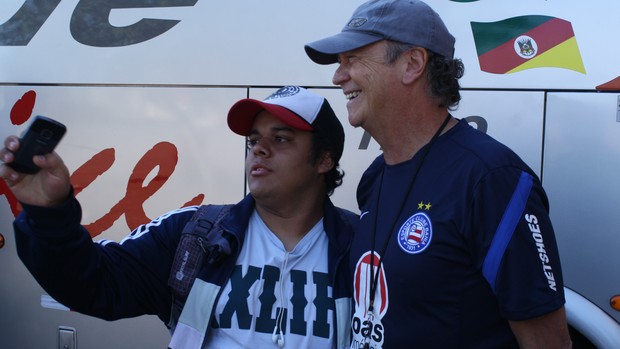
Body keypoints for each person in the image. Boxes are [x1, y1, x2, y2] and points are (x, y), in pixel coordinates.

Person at [0, 86, 356, 349]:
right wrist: (48, 211)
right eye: (253, 140)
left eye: (280, 139)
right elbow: (93, 283)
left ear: (324, 160)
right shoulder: (194, 234)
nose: (258, 149)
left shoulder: (365, 246)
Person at [304, 1, 572, 348]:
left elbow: (549, 343)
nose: (338, 76)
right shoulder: (375, 177)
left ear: (412, 64)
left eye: (352, 59)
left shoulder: (491, 179)